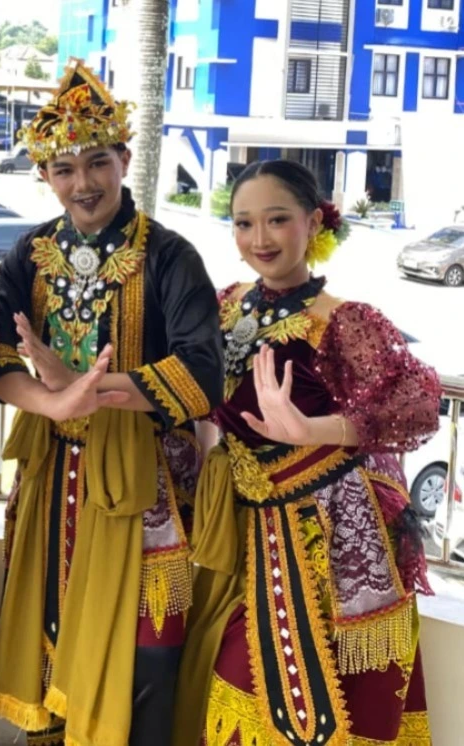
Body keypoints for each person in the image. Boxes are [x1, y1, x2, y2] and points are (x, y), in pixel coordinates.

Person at [0, 58, 224, 746]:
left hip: (145, 479)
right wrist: (51, 400)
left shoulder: (170, 255)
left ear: (123, 158)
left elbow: (203, 373)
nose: (81, 183)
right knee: (52, 626)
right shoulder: (28, 253)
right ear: (45, 176)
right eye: (63, 169)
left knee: (146, 642)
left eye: (95, 162)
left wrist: (92, 390)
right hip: (54, 474)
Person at [173, 159, 439, 746]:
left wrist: (315, 430)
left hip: (335, 534)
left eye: (277, 220)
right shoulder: (226, 304)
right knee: (244, 679)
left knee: (337, 692)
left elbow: (419, 402)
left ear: (313, 222)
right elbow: (181, 382)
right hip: (249, 526)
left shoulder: (341, 321)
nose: (259, 239)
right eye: (244, 223)